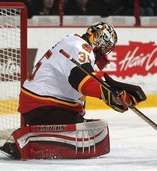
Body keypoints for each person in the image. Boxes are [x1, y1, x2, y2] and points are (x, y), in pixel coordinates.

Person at [0, 22, 146, 159]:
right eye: (104, 47)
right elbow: (81, 80)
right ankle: (28, 143)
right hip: (44, 106)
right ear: (99, 40)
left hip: (43, 105)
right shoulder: (80, 47)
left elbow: (83, 84)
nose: (103, 53)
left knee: (95, 129)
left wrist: (113, 94)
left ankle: (33, 137)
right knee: (92, 133)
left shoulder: (73, 43)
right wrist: (110, 94)